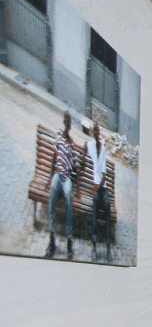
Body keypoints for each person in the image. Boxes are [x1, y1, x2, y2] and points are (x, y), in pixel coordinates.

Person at [46, 111, 79, 259]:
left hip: (66, 178)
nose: (67, 122)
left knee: (69, 198)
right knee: (52, 191)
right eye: (65, 119)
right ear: (63, 122)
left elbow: (76, 168)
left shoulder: (72, 144)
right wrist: (49, 178)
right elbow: (54, 156)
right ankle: (52, 239)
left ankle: (69, 240)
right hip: (57, 175)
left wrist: (77, 188)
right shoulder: (58, 136)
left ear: (71, 124)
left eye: (69, 121)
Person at [81, 121, 111, 261]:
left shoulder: (103, 148)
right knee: (94, 206)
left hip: (102, 188)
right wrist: (82, 158)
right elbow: (84, 151)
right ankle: (94, 246)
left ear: (100, 132)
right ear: (93, 133)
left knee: (107, 207)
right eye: (94, 130)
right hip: (95, 188)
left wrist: (97, 188)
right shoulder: (90, 146)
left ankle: (108, 246)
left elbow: (105, 176)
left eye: (98, 130)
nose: (97, 132)